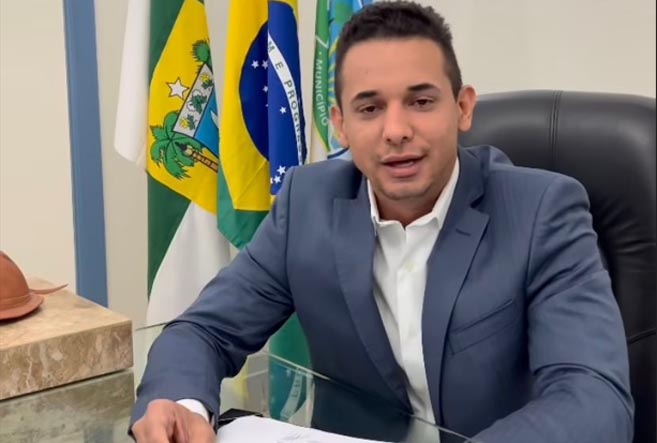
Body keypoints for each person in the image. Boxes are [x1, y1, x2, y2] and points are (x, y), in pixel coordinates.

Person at [130, 2, 633, 442]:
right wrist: (182, 406)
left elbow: (592, 398)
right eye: (370, 108)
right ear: (341, 125)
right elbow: (204, 331)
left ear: (462, 108)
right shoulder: (307, 204)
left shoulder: (542, 211)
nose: (396, 130)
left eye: (421, 101)